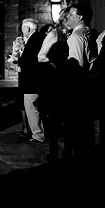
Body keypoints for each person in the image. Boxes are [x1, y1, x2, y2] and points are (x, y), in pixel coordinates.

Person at [63, 3, 98, 167]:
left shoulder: (76, 37)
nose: (67, 17)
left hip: (79, 90)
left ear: (80, 16)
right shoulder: (90, 33)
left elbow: (76, 67)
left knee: (77, 128)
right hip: (90, 86)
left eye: (70, 14)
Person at [37, 8, 71, 162]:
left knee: (68, 119)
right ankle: (54, 151)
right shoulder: (55, 34)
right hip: (57, 80)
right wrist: (56, 64)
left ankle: (68, 149)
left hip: (70, 81)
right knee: (54, 119)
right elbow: (40, 57)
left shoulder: (73, 34)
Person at [12, 18, 46, 142]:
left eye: (23, 29)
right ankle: (40, 133)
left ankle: (38, 135)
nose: (22, 31)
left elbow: (29, 61)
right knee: (35, 108)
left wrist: (18, 60)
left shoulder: (34, 40)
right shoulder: (39, 37)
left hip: (32, 80)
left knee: (31, 108)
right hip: (36, 79)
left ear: (27, 28)